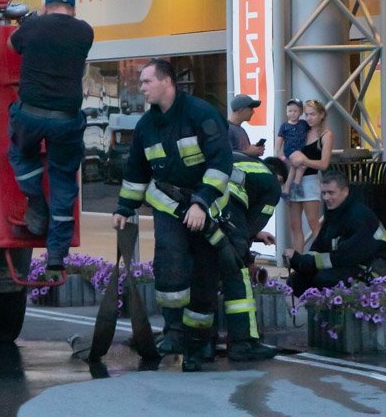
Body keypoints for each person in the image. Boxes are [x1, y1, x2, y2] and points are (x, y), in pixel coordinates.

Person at [113, 59, 275, 370]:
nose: (142, 87)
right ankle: (174, 331)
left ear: (167, 82)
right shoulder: (146, 126)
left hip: (208, 205)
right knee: (170, 261)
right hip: (168, 205)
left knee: (204, 273)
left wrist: (202, 203)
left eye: (147, 81)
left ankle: (198, 343)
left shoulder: (201, 114)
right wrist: (124, 207)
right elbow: (136, 171)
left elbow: (220, 163)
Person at [8, 0, 95, 277]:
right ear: (73, 9)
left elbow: (12, 44)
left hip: (30, 115)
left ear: (46, 6)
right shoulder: (85, 32)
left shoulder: (33, 26)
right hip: (66, 120)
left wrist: (30, 21)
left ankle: (35, 202)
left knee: (21, 154)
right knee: (63, 179)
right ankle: (56, 257)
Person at [285, 170, 386, 296]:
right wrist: (298, 262)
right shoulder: (334, 212)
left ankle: (339, 311)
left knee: (324, 279)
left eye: (331, 193)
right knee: (297, 281)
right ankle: (321, 310)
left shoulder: (358, 216)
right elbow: (320, 247)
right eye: (324, 193)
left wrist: (301, 260)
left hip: (370, 268)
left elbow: (345, 256)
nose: (326, 198)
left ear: (345, 192)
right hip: (348, 263)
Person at [285, 99, 332, 254]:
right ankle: (297, 262)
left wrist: (304, 160)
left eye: (313, 114)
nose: (309, 118)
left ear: (321, 115)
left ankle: (320, 258)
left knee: (313, 222)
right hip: (295, 180)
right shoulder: (302, 130)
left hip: (310, 180)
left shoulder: (326, 135)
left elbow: (324, 164)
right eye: (307, 114)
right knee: (294, 225)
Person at [276, 99, 309, 198]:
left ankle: (285, 191)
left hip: (300, 150)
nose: (292, 113)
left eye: (295, 111)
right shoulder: (284, 126)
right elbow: (279, 142)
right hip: (290, 150)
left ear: (301, 112)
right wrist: (281, 156)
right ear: (286, 112)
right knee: (303, 164)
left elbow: (312, 130)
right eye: (290, 111)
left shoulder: (303, 123)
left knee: (293, 170)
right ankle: (296, 184)